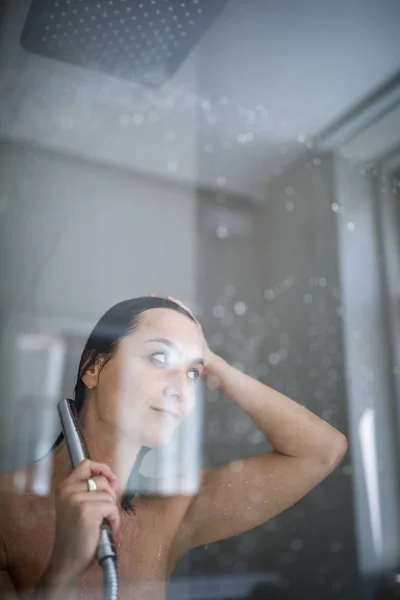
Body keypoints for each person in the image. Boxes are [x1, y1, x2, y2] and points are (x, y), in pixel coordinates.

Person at [0, 296, 348, 600]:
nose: (181, 391)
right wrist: (62, 568)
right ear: (92, 367)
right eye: (160, 358)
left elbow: (322, 451)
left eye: (193, 375)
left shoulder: (172, 512)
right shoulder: (5, 512)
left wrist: (214, 363)